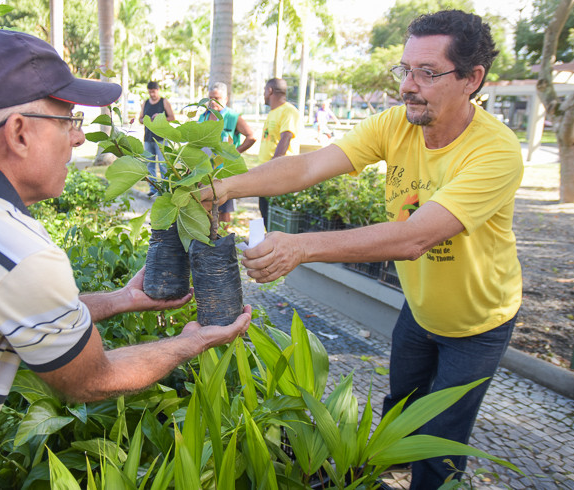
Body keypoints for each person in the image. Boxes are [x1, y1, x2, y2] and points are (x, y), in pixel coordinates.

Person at [0, 28, 251, 489]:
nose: (79, 139)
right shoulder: (12, 248)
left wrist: (123, 299)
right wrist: (194, 340)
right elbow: (93, 380)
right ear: (19, 133)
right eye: (68, 122)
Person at [201, 10, 522, 488]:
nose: (408, 85)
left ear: (472, 79)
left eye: (428, 73)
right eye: (405, 69)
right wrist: (226, 186)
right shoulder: (396, 124)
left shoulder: (495, 151)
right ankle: (377, 472)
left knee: (441, 440)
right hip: (419, 308)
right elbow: (308, 167)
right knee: (400, 410)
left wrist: (301, 248)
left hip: (478, 322)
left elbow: (414, 237)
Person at [199, 81, 256, 222]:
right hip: (204, 171)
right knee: (204, 206)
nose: (212, 101)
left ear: (225, 99)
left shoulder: (232, 116)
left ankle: (223, 238)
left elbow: (251, 137)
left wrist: (234, 153)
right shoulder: (203, 116)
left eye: (217, 98)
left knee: (224, 210)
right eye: (210, 97)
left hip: (223, 172)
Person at [256, 78, 301, 229]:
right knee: (265, 213)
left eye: (264, 91)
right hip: (266, 173)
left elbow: (286, 137)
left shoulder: (288, 111)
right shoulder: (273, 112)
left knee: (274, 218)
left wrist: (273, 166)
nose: (263, 95)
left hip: (277, 173)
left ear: (270, 91)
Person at [138, 81, 175, 196]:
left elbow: (172, 117)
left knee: (163, 165)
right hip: (148, 138)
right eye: (150, 92)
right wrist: (144, 120)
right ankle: (154, 189)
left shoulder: (164, 102)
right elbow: (140, 118)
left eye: (153, 92)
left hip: (161, 138)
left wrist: (160, 117)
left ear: (158, 90)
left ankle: (164, 190)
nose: (152, 94)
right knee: (150, 165)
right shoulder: (145, 103)